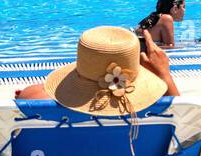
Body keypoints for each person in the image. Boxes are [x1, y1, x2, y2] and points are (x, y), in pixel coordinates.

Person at [15, 26, 178, 115]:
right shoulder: (155, 116)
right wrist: (165, 77)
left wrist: (35, 92)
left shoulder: (40, 104)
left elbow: (27, 98)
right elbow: (186, 123)